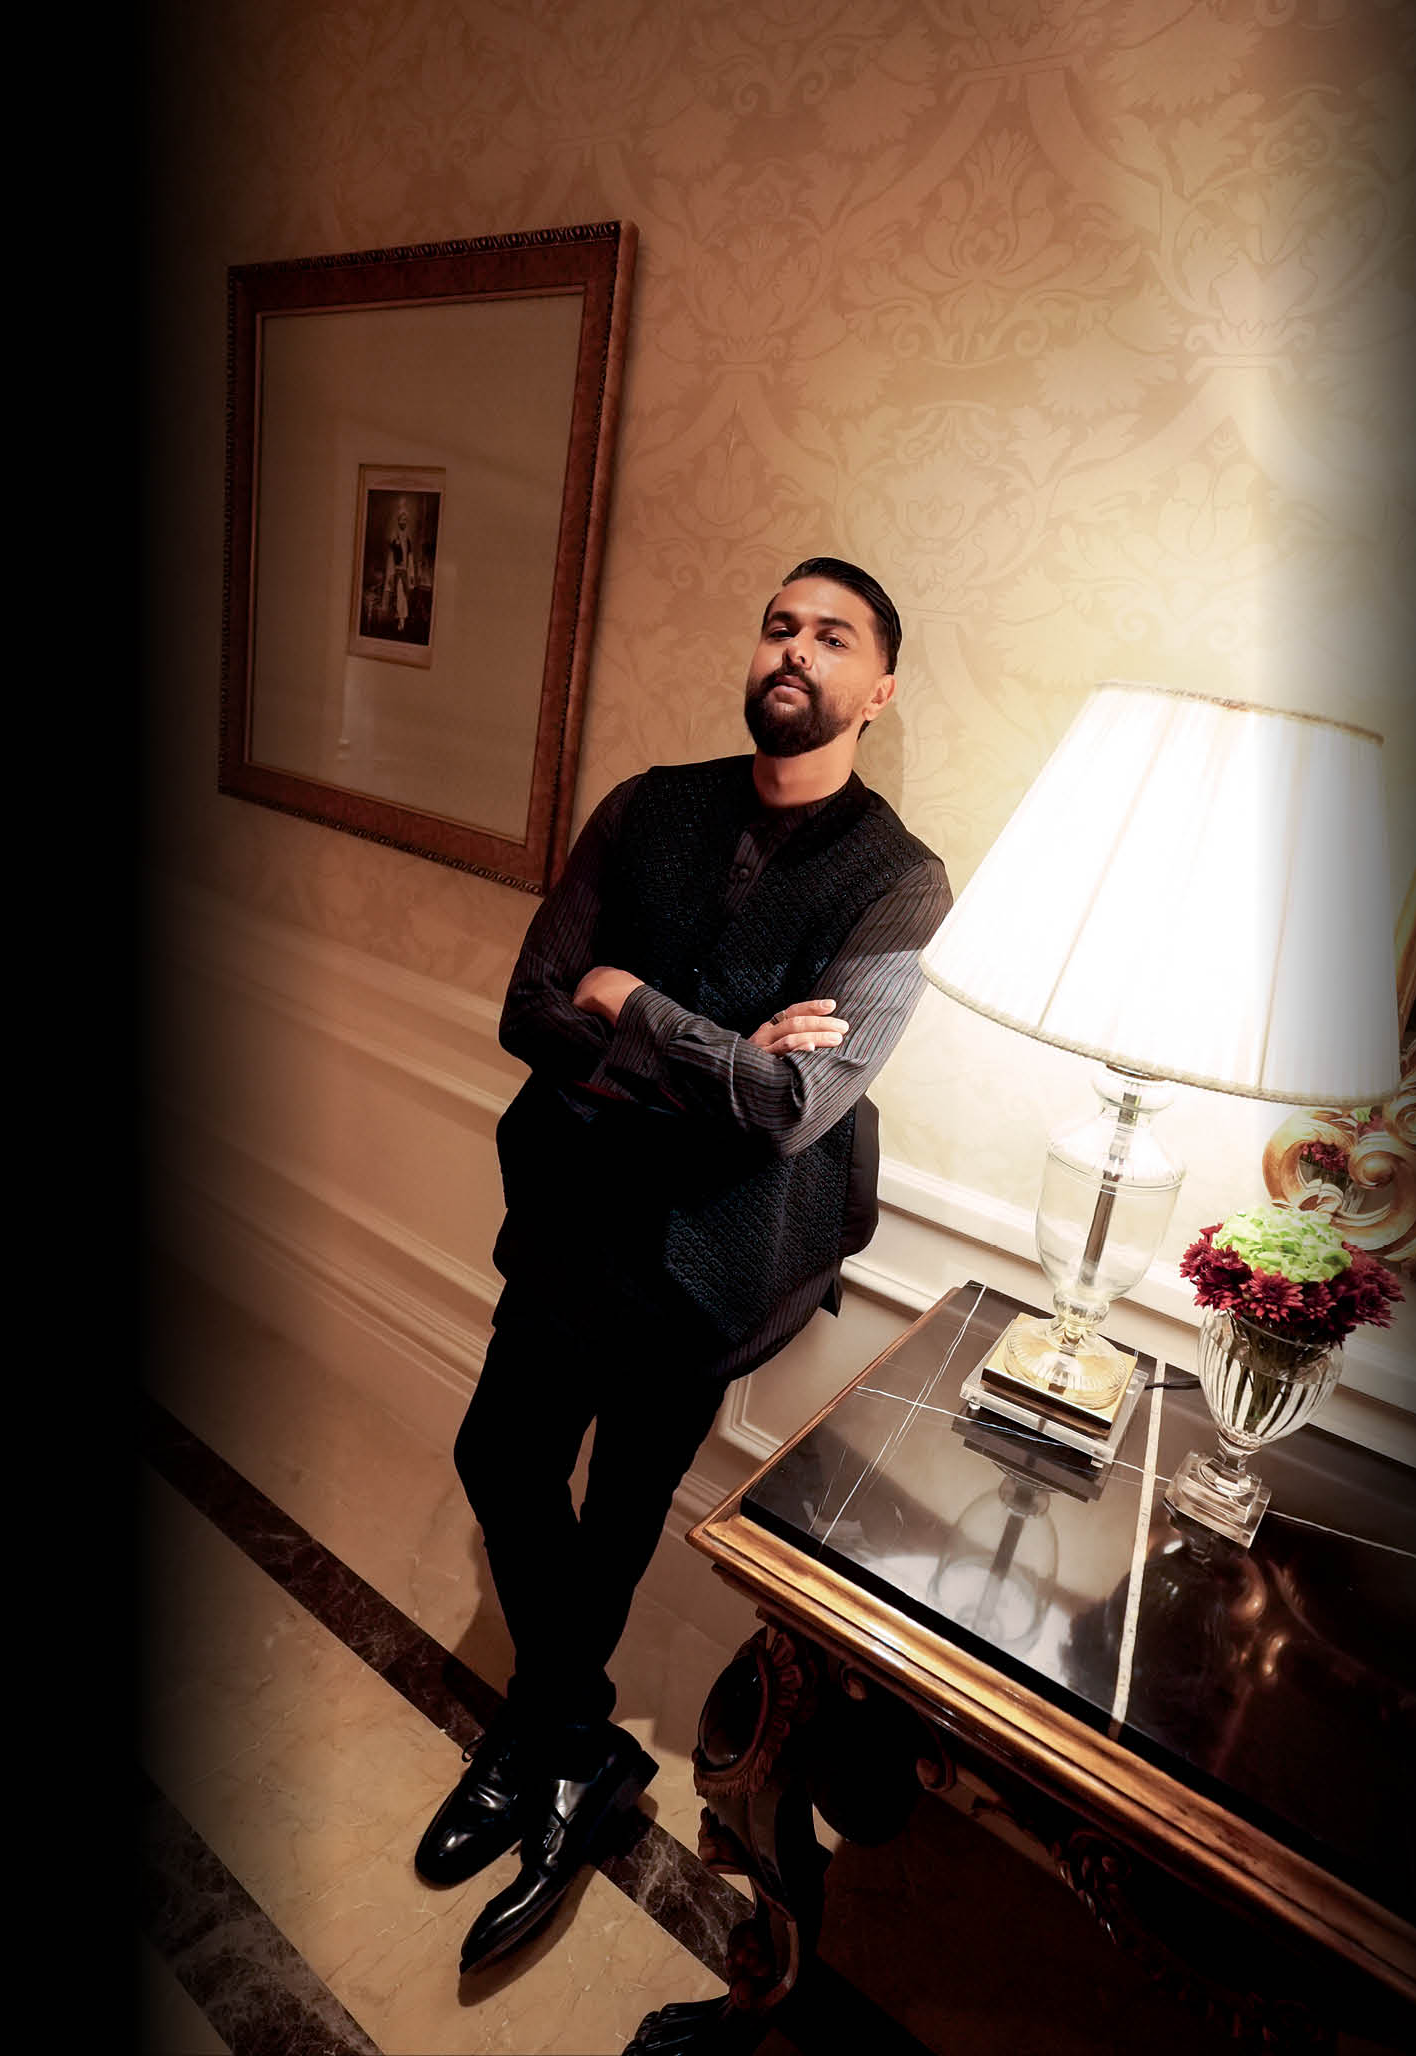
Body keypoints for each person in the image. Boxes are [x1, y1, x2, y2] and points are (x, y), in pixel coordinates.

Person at [419, 556, 953, 1972]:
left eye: (833, 637)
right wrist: (719, 1057)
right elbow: (530, 1005)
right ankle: (572, 1737)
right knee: (500, 1456)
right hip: (574, 1210)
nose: (797, 651)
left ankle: (541, 1748)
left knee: (621, 1507)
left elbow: (795, 1107)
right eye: (780, 625)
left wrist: (637, 1008)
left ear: (878, 691)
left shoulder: (900, 883)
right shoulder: (649, 804)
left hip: (718, 1259)